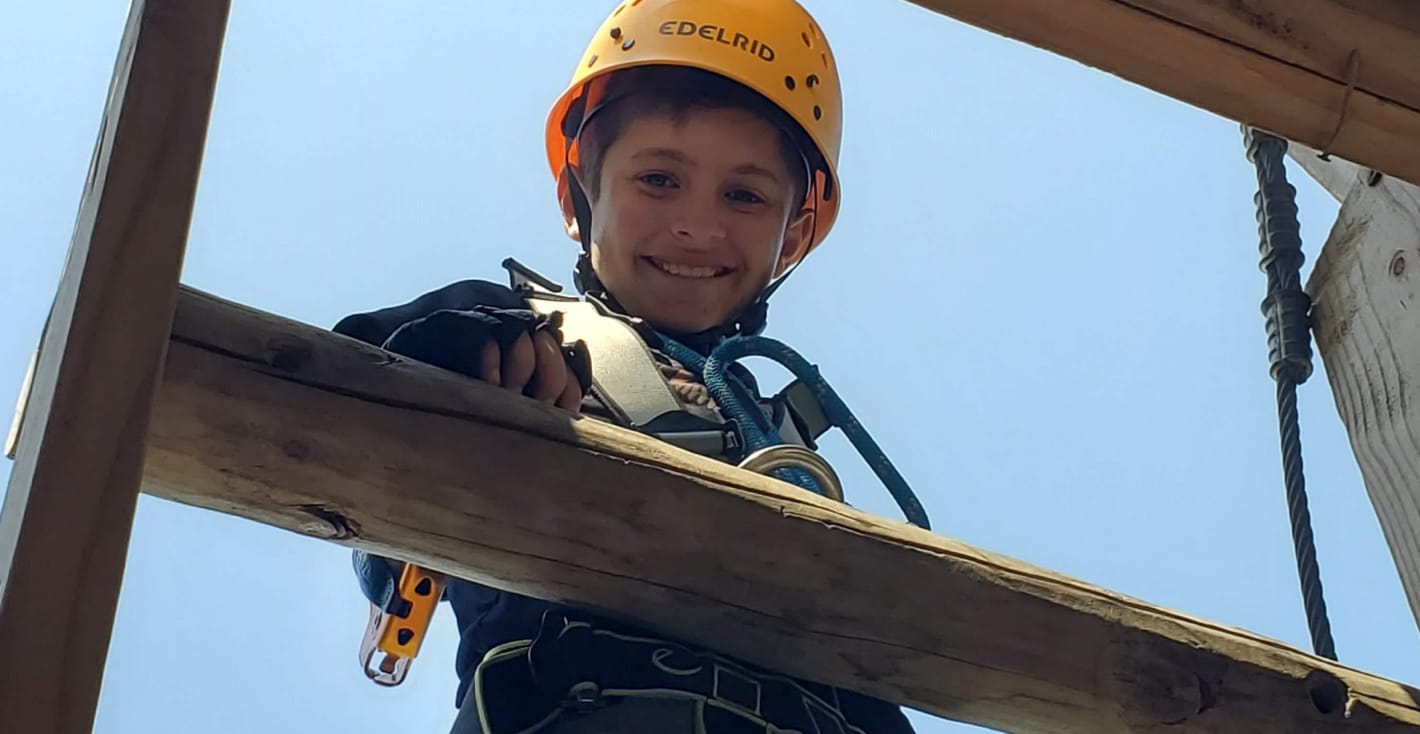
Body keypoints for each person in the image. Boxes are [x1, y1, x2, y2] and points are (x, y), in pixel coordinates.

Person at [334, 1, 919, 731]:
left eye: (744, 194)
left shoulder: (778, 446)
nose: (698, 226)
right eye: (659, 180)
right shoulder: (510, 333)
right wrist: (464, 361)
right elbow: (344, 409)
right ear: (579, 197)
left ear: (792, 235)